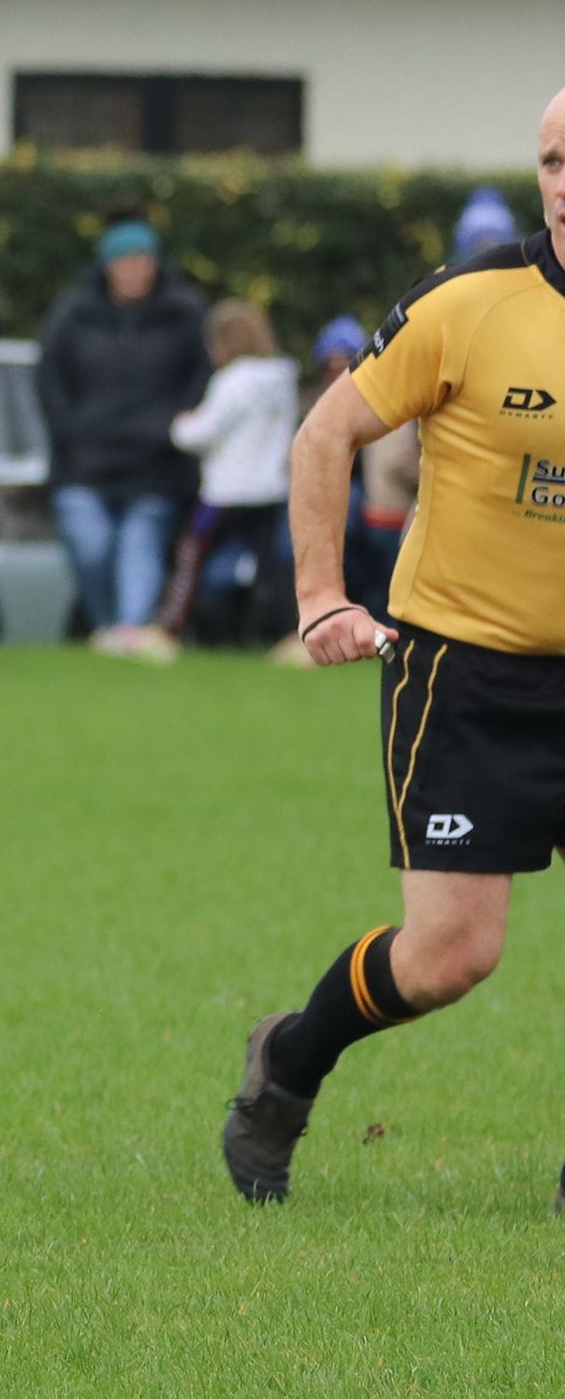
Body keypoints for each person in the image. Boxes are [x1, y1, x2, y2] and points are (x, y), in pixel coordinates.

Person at [220, 86, 565, 1208]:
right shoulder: (470, 304)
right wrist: (322, 597)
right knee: (450, 956)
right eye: (554, 162)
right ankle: (289, 1063)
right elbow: (327, 434)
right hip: (465, 670)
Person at [38, 214, 212, 661]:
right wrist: (71, 431)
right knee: (91, 546)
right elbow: (50, 380)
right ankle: (107, 629)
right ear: (107, 266)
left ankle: (130, 634)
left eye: (143, 260)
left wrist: (172, 429)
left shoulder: (184, 315)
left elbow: (200, 377)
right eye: (125, 261)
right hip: (84, 462)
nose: (135, 270)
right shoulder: (73, 315)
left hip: (156, 465)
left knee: (141, 544)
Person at [156, 300, 297, 647]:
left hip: (226, 491)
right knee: (272, 565)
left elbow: (201, 433)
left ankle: (167, 630)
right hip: (270, 488)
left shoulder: (232, 381)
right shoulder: (281, 379)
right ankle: (296, 635)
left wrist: (179, 425)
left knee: (190, 551)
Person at [311, 315, 416, 622]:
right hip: (382, 512)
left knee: (386, 585)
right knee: (388, 585)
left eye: (343, 363)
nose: (337, 373)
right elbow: (397, 461)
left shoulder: (379, 401)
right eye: (332, 366)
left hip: (380, 511)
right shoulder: (387, 400)